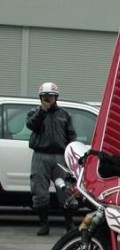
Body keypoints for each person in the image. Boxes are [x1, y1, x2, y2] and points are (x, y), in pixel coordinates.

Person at [26, 82, 77, 236]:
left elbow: (71, 136)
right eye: (44, 97)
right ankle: (44, 224)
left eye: (51, 96)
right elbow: (31, 126)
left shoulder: (64, 115)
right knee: (39, 190)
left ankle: (69, 224)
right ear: (40, 98)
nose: (48, 99)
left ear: (56, 97)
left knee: (66, 191)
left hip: (60, 156)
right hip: (40, 155)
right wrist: (42, 111)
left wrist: (71, 155)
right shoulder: (34, 113)